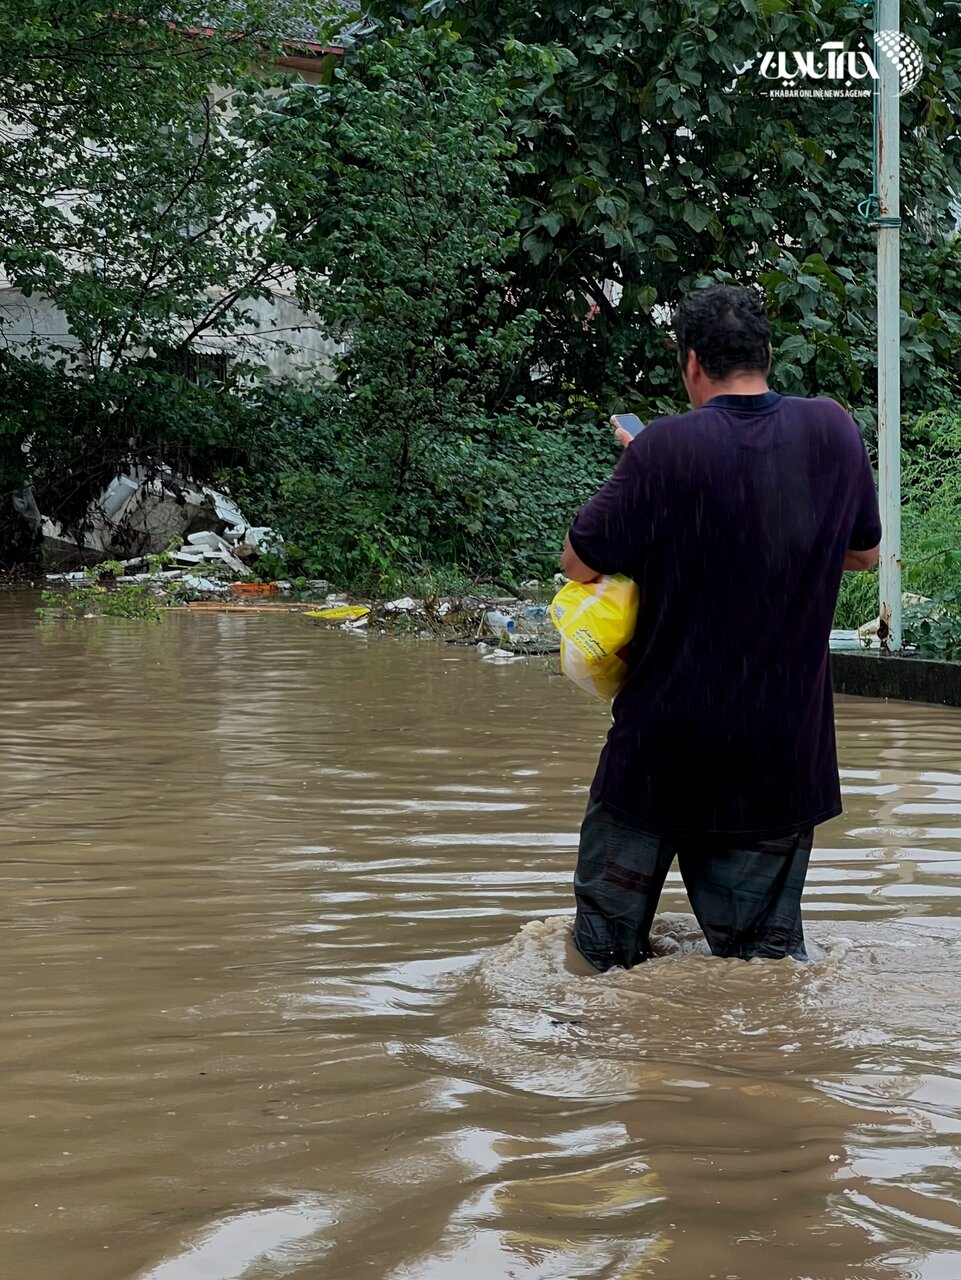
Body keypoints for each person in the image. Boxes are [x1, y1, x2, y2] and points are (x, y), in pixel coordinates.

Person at [561, 284, 882, 971]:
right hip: (775, 759)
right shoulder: (832, 430)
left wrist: (646, 466)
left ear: (691, 365)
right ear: (766, 355)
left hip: (659, 752)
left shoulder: (662, 450)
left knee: (599, 965)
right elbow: (861, 553)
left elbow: (579, 564)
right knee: (760, 975)